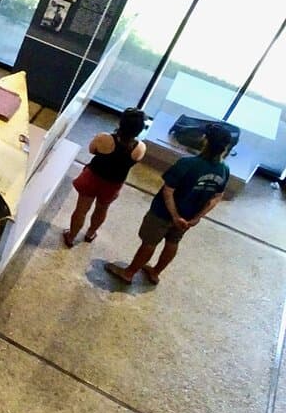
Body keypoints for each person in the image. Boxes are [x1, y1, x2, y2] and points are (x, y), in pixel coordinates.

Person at [105, 123, 233, 285]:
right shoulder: (224, 169)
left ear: (205, 141)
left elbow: (168, 190)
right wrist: (196, 218)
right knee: (173, 242)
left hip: (163, 213)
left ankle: (129, 273)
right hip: (188, 218)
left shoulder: (187, 163)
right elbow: (216, 196)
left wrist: (174, 216)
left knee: (149, 242)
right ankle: (155, 272)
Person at [62, 107, 147, 247]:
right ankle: (90, 234)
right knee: (102, 209)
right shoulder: (140, 148)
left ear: (121, 123)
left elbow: (91, 150)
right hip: (113, 184)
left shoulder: (104, 138)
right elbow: (134, 162)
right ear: (139, 129)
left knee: (81, 209)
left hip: (93, 177)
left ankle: (71, 236)